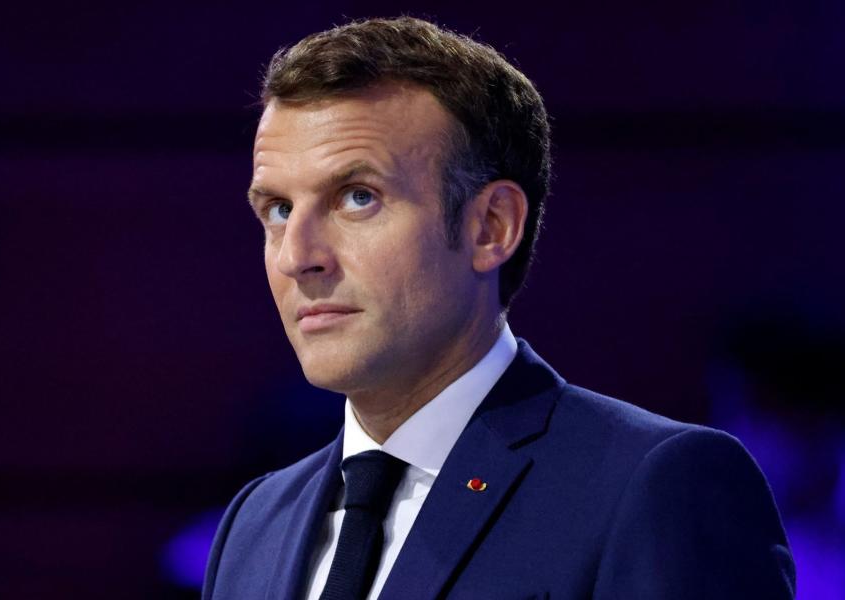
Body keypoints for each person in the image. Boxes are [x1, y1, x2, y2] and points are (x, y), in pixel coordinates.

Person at [203, 16, 795, 600]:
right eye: (278, 209)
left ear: (492, 226)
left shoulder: (656, 487)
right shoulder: (256, 524)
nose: (296, 257)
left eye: (358, 198)